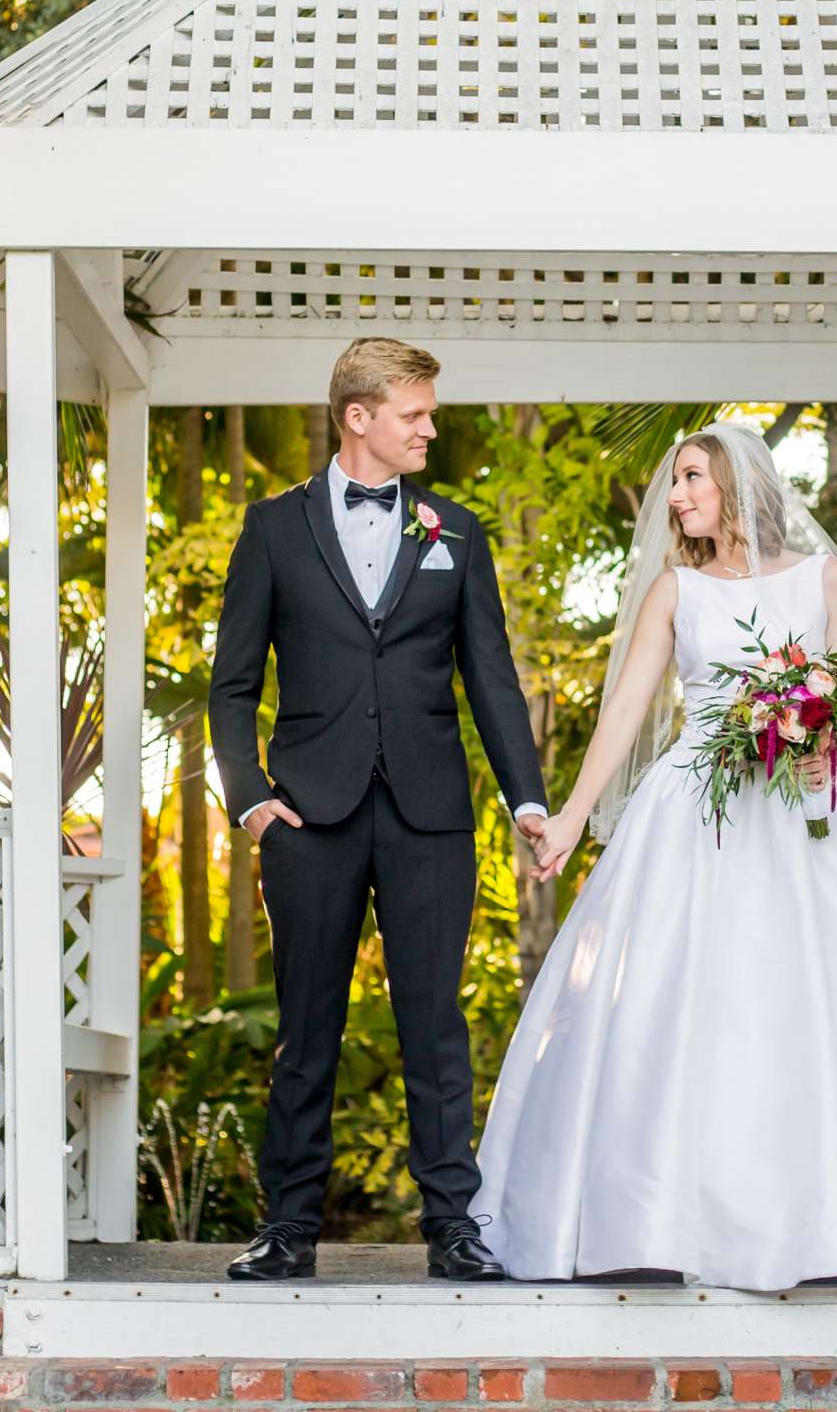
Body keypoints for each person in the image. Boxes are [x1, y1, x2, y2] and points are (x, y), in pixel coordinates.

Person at [473, 421, 837, 1290]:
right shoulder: (674, 591)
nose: (675, 498)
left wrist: (827, 732)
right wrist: (567, 819)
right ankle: (653, 1220)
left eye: (690, 479)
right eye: (675, 482)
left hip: (807, 806)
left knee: (824, 1004)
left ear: (738, 486)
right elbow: (625, 715)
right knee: (678, 1009)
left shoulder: (828, 578)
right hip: (693, 813)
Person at [207, 337, 549, 1282]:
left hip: (431, 814)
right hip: (307, 817)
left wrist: (526, 798)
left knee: (435, 1027)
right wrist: (250, 803)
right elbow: (231, 685)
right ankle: (289, 1229)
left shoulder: (457, 531)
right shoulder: (272, 530)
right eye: (415, 414)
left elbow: (492, 678)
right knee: (305, 1026)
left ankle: (453, 1228)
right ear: (359, 418)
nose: (431, 428)